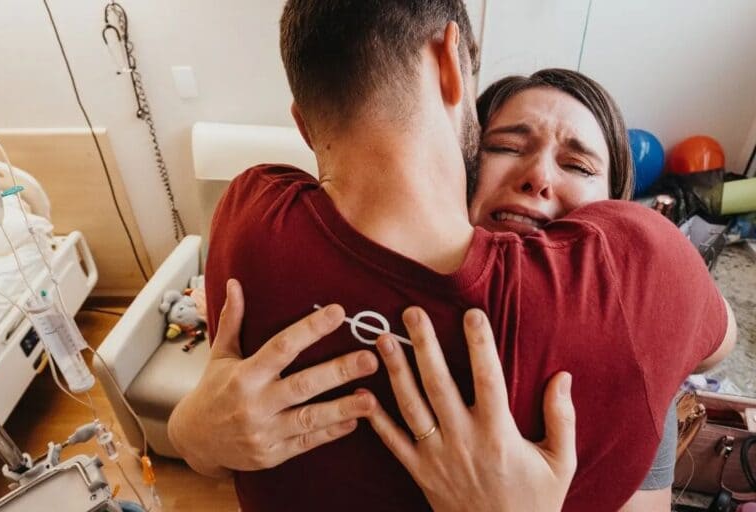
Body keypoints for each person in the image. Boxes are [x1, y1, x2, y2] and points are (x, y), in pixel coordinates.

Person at [169, 2, 735, 510]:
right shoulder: (648, 283)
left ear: (612, 214)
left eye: (579, 166)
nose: (537, 175)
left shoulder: (637, 331)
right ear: (449, 64)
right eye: (506, 145)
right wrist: (191, 433)